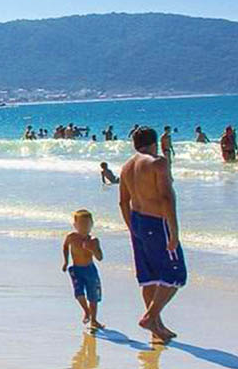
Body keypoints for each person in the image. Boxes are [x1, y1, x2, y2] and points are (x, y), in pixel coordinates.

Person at [119, 127, 186, 344]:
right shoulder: (158, 163)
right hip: (157, 221)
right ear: (154, 143)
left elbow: (123, 202)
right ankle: (150, 317)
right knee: (176, 275)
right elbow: (166, 197)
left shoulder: (127, 166)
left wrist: (131, 227)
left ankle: (157, 327)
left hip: (137, 221)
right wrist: (174, 230)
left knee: (149, 277)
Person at [62, 209, 104, 330]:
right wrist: (66, 261)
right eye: (81, 224)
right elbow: (65, 246)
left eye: (87, 224)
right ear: (75, 225)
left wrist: (92, 249)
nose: (84, 227)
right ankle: (86, 311)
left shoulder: (93, 240)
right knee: (79, 293)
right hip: (76, 269)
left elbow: (100, 257)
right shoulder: (71, 237)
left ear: (92, 224)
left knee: (93, 296)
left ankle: (94, 320)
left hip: (90, 270)